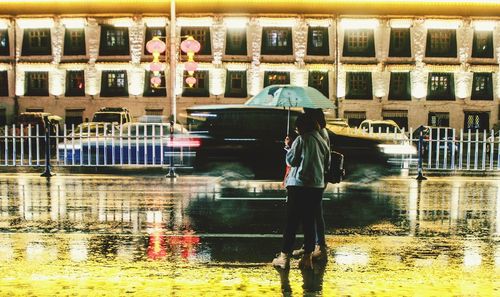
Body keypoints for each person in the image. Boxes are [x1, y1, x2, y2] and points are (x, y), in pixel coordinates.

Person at [272, 113, 330, 270]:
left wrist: (288, 146)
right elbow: (327, 164)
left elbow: (292, 160)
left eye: (297, 126)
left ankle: (284, 257)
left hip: (299, 185)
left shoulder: (301, 140)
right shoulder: (322, 141)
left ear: (302, 126)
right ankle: (307, 258)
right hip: (316, 186)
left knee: (292, 221)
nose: (296, 129)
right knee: (309, 222)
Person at [292, 108, 330, 259]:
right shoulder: (321, 132)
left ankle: (319, 246)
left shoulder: (317, 134)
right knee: (313, 212)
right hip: (319, 177)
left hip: (313, 179)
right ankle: (311, 245)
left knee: (315, 213)